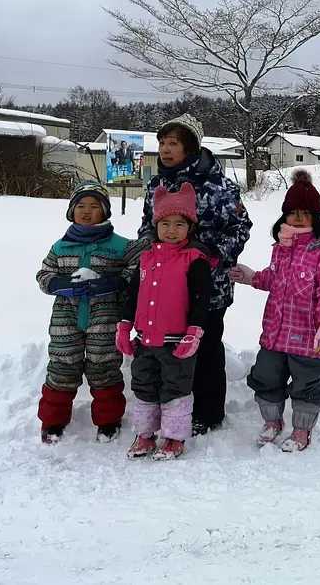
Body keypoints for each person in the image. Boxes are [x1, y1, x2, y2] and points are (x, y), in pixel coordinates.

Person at [132, 114, 252, 435]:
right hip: (163, 287)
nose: (165, 150)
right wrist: (145, 246)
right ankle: (169, 410)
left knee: (206, 348)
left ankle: (208, 413)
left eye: (173, 143)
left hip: (208, 285)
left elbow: (241, 226)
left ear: (191, 147)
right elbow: (147, 225)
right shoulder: (156, 184)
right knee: (168, 351)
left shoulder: (218, 184)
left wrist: (214, 255)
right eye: (162, 143)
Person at [230, 170, 320, 452]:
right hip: (276, 332)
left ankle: (301, 429)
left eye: (304, 213)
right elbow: (275, 279)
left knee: (307, 382)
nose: (297, 218)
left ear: (316, 218)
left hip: (309, 337)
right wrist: (252, 277)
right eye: (292, 212)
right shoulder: (281, 248)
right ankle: (272, 421)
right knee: (266, 375)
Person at [118, 182, 214, 460]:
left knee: (175, 390)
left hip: (177, 341)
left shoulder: (194, 259)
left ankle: (173, 438)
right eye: (165, 224)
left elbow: (201, 300)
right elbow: (133, 293)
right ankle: (145, 435)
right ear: (156, 225)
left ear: (190, 228)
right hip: (145, 340)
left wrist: (194, 332)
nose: (171, 230)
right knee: (144, 387)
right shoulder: (146, 258)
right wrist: (124, 325)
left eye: (179, 225)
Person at [35, 181, 131, 444]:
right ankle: (53, 421)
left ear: (104, 211)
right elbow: (43, 274)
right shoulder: (61, 246)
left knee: (104, 365)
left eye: (94, 206)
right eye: (80, 206)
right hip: (65, 319)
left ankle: (108, 419)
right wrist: (58, 284)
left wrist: (115, 281)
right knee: (62, 365)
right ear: (71, 211)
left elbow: (139, 266)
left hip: (105, 318)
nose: (86, 211)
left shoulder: (120, 245)